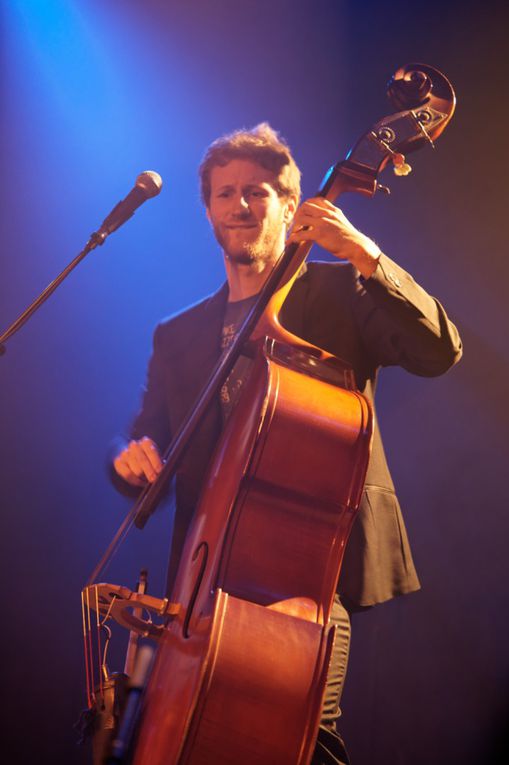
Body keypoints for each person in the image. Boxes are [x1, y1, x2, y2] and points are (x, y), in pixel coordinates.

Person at [111, 123, 462, 764]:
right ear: (208, 209)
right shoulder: (179, 334)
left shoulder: (342, 293)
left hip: (304, 584)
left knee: (300, 744)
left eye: (257, 192)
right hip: (203, 585)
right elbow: (149, 435)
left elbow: (440, 350)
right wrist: (131, 456)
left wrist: (363, 251)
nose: (239, 206)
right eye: (225, 194)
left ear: (291, 206)